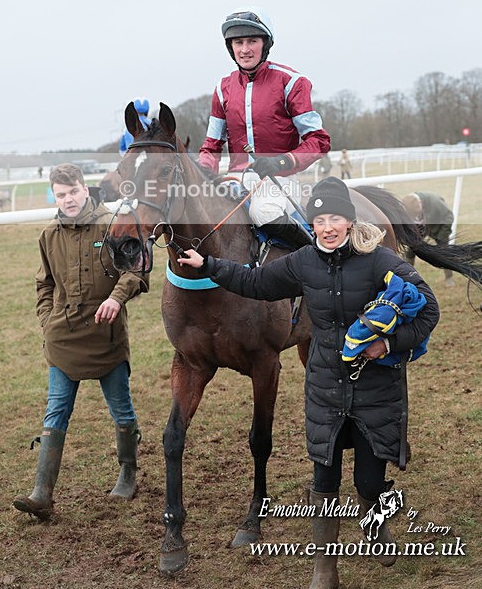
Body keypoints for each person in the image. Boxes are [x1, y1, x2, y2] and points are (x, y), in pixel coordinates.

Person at [177, 176, 439, 588]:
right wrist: (208, 266)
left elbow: (428, 310)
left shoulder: (380, 263)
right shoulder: (302, 263)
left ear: (350, 222)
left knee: (368, 482)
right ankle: (324, 569)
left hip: (375, 389)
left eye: (337, 218)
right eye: (320, 219)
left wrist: (388, 345)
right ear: (312, 225)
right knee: (324, 480)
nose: (329, 227)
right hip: (324, 388)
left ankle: (374, 521)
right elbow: (254, 282)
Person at [13, 164, 149, 520]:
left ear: (85, 189)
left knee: (120, 407)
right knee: (56, 408)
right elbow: (43, 284)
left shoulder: (113, 224)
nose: (68, 199)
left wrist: (116, 299)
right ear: (54, 196)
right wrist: (47, 321)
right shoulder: (49, 235)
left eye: (73, 191)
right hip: (62, 337)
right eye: (61, 194)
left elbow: (136, 269)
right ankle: (41, 492)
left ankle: (128, 473)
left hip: (106, 336)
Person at [198, 7, 330, 249]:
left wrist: (281, 162)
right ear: (231, 47)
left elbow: (318, 141)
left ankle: (317, 257)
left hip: (280, 178)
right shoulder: (222, 89)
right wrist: (202, 171)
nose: (245, 49)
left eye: (252, 41)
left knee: (264, 213)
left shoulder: (292, 82)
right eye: (238, 42)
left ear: (265, 44)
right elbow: (211, 145)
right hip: (235, 178)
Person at [401, 191, 455, 286]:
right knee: (410, 250)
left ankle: (449, 277)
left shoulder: (435, 202)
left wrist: (442, 236)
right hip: (420, 228)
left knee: (444, 252)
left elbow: (449, 217)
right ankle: (406, 277)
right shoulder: (406, 206)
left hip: (439, 228)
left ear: (420, 204)